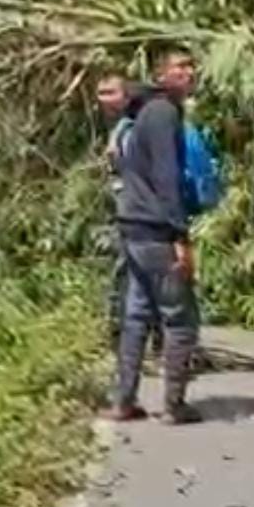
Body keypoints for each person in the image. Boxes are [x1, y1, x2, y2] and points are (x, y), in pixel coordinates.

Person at [105, 46, 202, 425]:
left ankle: (123, 401)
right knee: (180, 318)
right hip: (155, 230)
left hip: (133, 225)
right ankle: (174, 406)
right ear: (161, 75)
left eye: (191, 66)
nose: (188, 73)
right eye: (179, 68)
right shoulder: (162, 113)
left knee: (137, 314)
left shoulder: (143, 112)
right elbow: (167, 176)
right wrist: (179, 235)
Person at [96, 73, 162, 359]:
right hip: (131, 212)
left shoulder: (136, 126)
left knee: (146, 274)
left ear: (126, 96)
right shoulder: (122, 127)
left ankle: (153, 341)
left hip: (147, 213)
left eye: (110, 93)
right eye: (100, 93)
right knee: (128, 272)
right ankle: (123, 339)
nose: (103, 99)